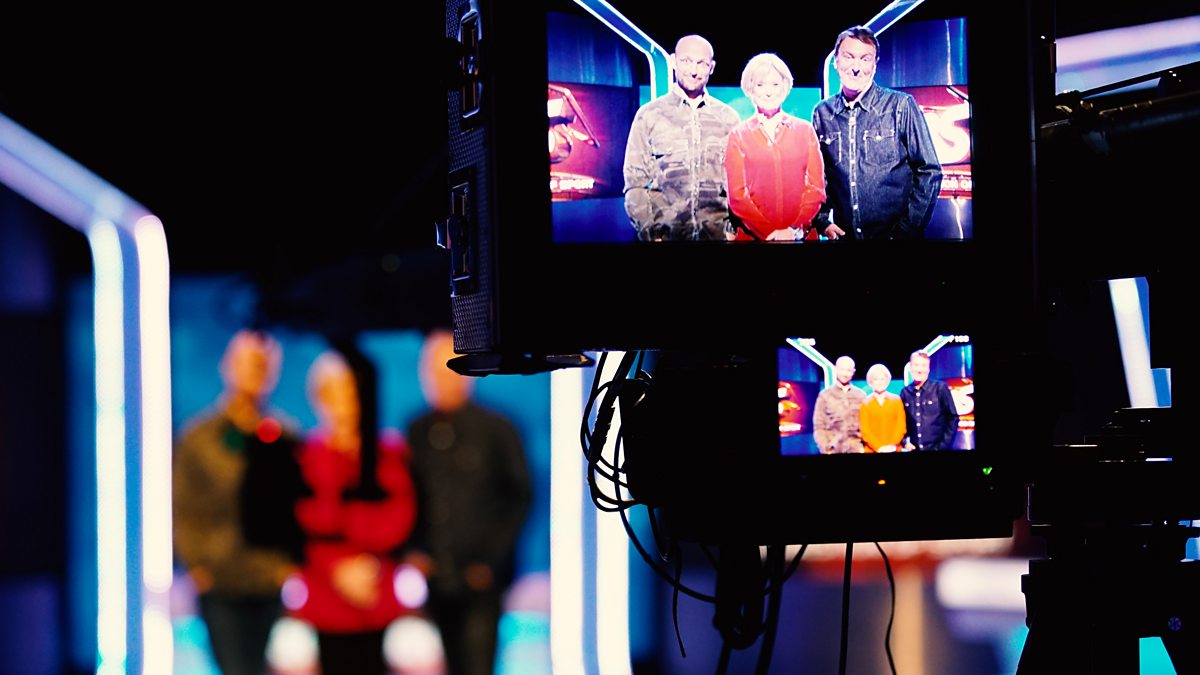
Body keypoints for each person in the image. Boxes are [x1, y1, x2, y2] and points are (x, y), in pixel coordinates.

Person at [173, 329, 301, 675]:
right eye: (247, 364)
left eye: (262, 366)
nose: (254, 373)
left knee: (257, 665)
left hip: (267, 575)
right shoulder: (200, 438)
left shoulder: (285, 437)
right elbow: (184, 504)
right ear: (227, 367)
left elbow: (295, 506)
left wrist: (286, 565)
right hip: (219, 574)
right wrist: (198, 564)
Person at [406, 330, 533, 675]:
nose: (441, 380)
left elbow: (519, 497)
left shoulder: (497, 429)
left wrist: (489, 562)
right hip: (436, 576)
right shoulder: (417, 430)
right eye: (434, 370)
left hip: (481, 578)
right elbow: (408, 497)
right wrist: (416, 551)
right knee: (450, 661)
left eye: (449, 369)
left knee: (478, 661)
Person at [292, 350, 418, 675]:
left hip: (376, 591)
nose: (345, 404)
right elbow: (302, 524)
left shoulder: (388, 453)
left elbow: (399, 514)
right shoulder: (307, 456)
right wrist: (336, 567)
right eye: (335, 393)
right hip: (326, 593)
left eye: (352, 393)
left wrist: (367, 563)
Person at [811, 25, 942, 240]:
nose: (856, 67)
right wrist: (822, 220)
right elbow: (818, 175)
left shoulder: (901, 105)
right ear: (836, 60)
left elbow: (929, 170)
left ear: (875, 64)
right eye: (849, 57)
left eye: (865, 59)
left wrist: (907, 231)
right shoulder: (822, 113)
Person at [622, 34, 741, 241]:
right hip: (666, 237)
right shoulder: (649, 115)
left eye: (701, 63)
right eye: (686, 61)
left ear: (711, 68)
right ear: (673, 61)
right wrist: (650, 233)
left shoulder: (728, 118)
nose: (694, 71)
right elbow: (634, 182)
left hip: (718, 236)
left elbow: (740, 182)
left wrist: (732, 230)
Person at [724, 53, 825, 241]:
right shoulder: (738, 135)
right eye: (760, 85)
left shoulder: (805, 130)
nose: (768, 92)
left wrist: (793, 230)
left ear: (785, 87)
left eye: (775, 84)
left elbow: (816, 188)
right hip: (755, 238)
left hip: (800, 237)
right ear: (750, 89)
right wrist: (771, 234)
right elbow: (737, 196)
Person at [901, 350, 960, 451]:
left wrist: (943, 446)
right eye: (916, 365)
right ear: (910, 367)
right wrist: (904, 441)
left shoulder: (940, 388)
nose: (919, 370)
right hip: (914, 449)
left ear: (928, 369)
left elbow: (953, 417)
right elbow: (901, 421)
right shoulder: (905, 392)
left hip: (938, 448)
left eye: (923, 365)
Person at [812, 355, 865, 454]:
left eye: (848, 370)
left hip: (856, 448)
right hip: (833, 449)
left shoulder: (860, 395)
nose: (845, 374)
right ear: (836, 369)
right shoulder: (825, 395)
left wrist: (862, 448)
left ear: (853, 372)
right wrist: (825, 449)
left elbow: (866, 424)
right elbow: (819, 425)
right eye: (842, 369)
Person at [859, 363, 906, 453]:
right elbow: (865, 430)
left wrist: (892, 446)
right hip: (872, 450)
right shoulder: (866, 403)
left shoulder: (896, 400)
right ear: (871, 382)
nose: (879, 382)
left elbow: (901, 426)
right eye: (876, 379)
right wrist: (879, 448)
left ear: (887, 381)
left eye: (882, 379)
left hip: (894, 449)